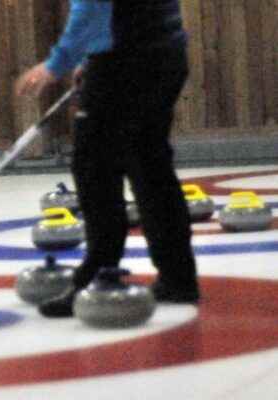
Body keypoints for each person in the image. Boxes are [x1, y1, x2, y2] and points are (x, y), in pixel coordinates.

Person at [14, 0, 200, 317]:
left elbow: (92, 8)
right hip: (165, 52)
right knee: (150, 167)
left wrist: (56, 64)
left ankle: (97, 275)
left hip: (124, 61)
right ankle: (178, 277)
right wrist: (90, 59)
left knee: (94, 169)